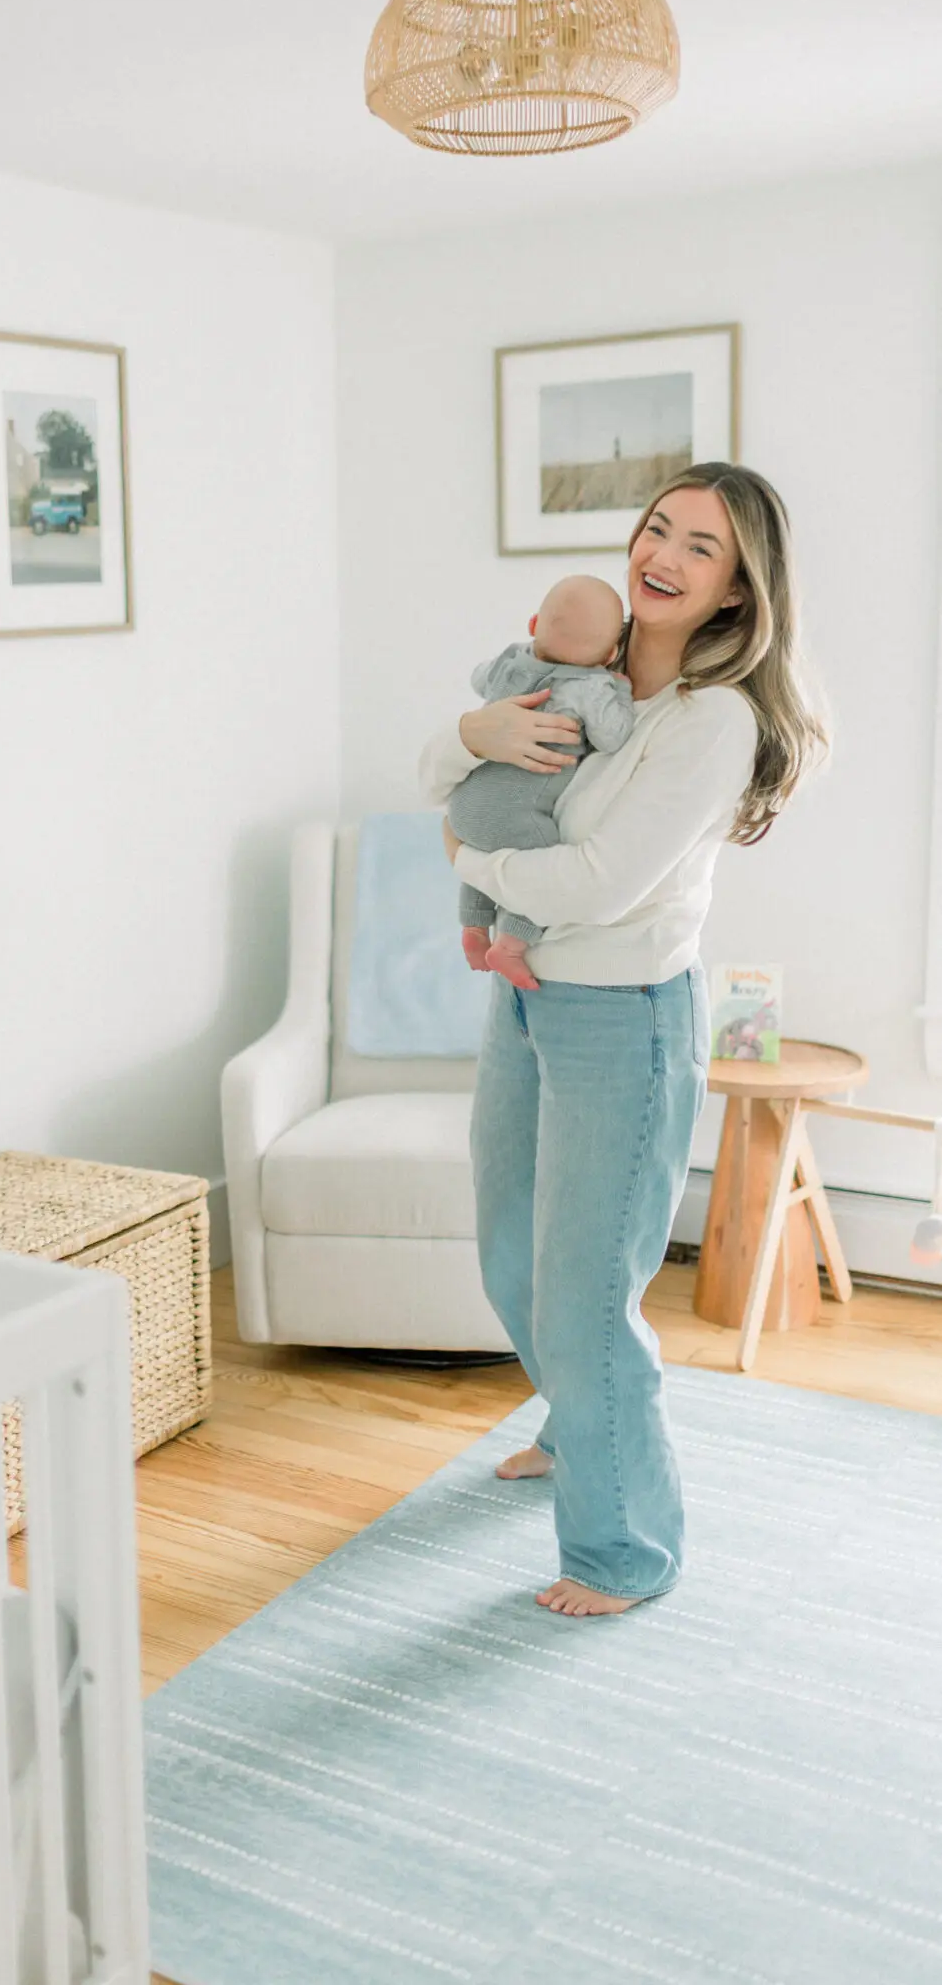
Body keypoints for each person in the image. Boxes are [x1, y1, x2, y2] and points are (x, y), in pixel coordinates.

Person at [421, 463, 826, 1618]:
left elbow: (601, 881)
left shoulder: (714, 719)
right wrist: (469, 727)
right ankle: (573, 1421)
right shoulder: (581, 674)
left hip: (623, 1019)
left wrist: (470, 862)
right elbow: (434, 771)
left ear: (739, 590)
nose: (665, 554)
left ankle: (625, 1548)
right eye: (658, 528)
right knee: (509, 1246)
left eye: (702, 546)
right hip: (526, 994)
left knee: (590, 1292)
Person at [449, 574, 634, 991]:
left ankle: (475, 929)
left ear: (533, 624)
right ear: (610, 653)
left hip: (464, 804)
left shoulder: (511, 657)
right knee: (547, 870)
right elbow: (613, 736)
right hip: (514, 815)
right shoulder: (590, 685)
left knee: (483, 855)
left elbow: (479, 679)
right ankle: (510, 945)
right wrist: (619, 694)